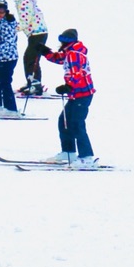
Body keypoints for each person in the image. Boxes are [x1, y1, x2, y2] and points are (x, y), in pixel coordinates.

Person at [43, 28, 96, 165]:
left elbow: (77, 73)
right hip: (76, 94)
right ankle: (69, 152)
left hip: (82, 94)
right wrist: (45, 52)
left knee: (76, 124)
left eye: (64, 41)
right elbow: (60, 58)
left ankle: (86, 157)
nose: (62, 43)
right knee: (64, 121)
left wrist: (68, 86)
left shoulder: (74, 54)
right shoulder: (70, 52)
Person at [10, 0, 48, 96]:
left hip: (37, 33)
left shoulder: (24, 3)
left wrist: (12, 28)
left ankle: (35, 84)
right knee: (31, 58)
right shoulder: (23, 1)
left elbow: (25, 22)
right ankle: (33, 82)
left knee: (30, 58)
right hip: (36, 33)